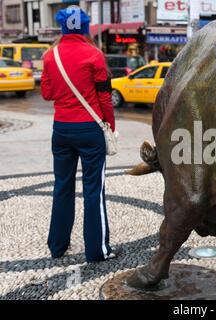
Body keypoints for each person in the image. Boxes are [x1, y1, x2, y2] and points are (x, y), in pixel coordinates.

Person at [41, 6, 117, 262]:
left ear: (61, 27)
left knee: (62, 185)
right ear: (85, 27)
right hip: (89, 129)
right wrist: (109, 125)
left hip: (61, 129)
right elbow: (105, 97)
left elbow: (47, 94)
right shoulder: (95, 55)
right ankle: (97, 250)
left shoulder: (50, 56)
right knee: (93, 189)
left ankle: (57, 245)